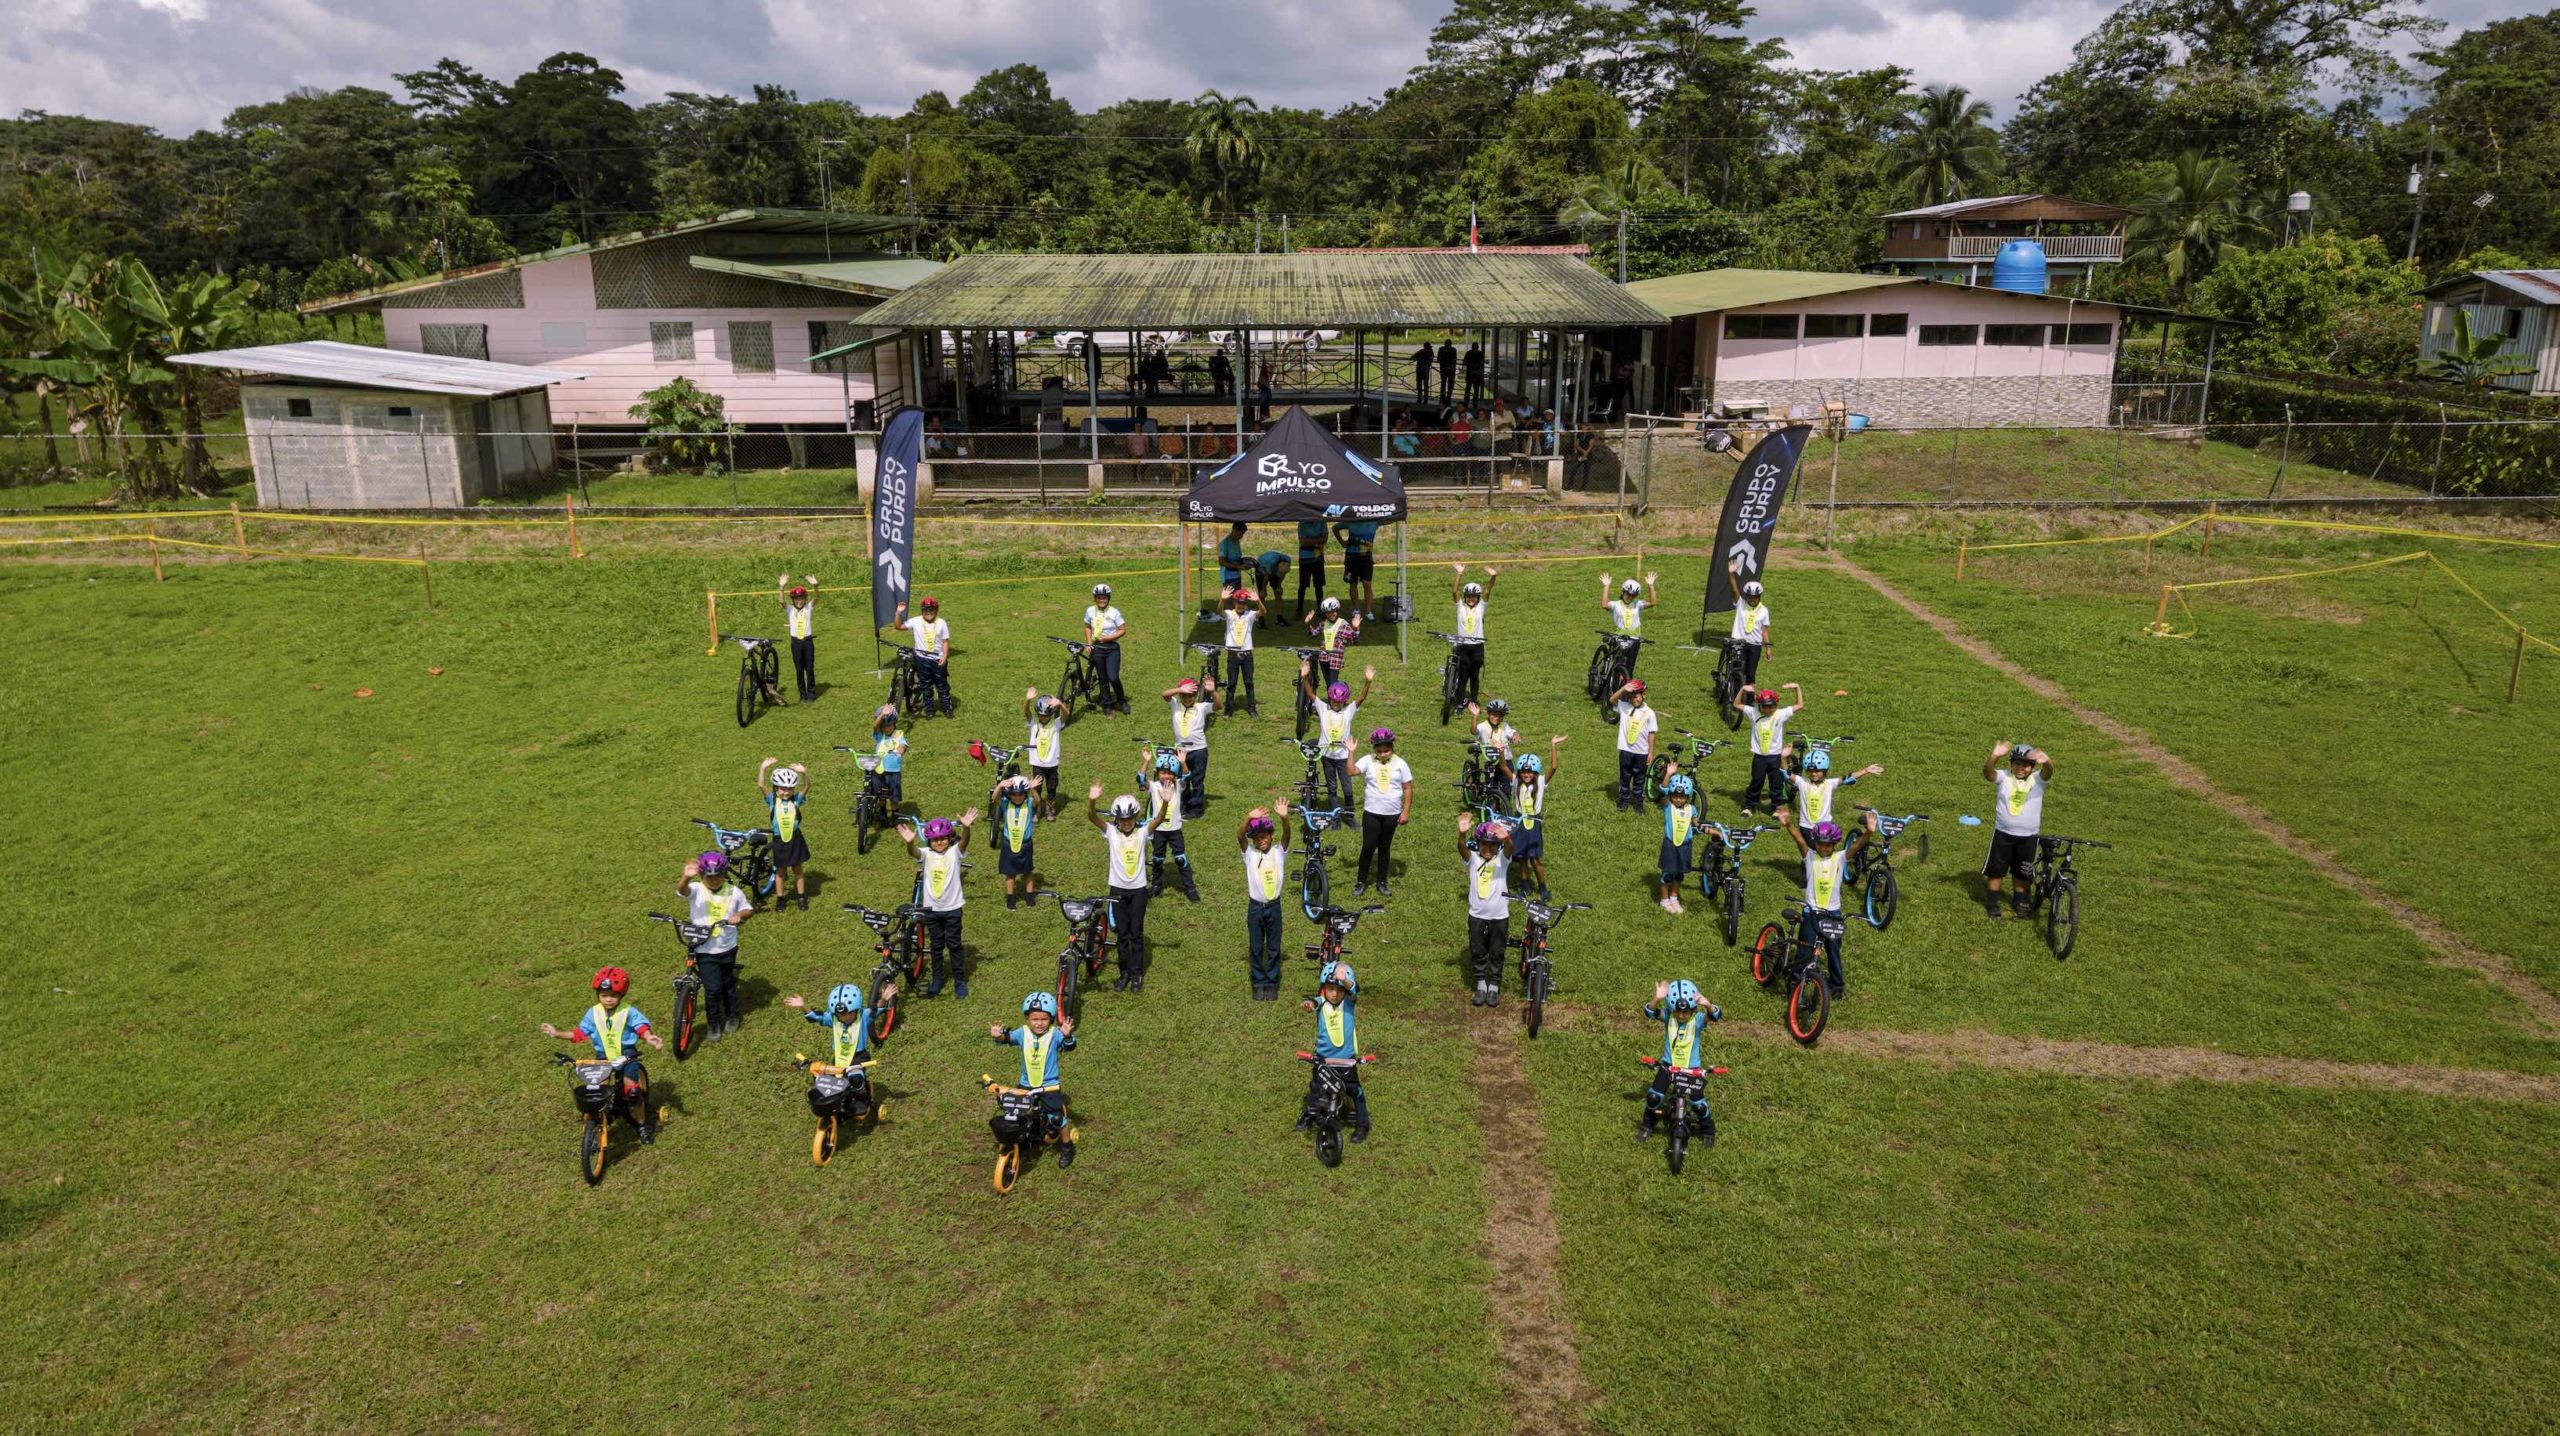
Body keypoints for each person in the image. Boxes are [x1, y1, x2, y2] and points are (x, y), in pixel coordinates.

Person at [540, 967, 661, 1143]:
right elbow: (578, 1034)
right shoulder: (593, 1013)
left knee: (633, 1092)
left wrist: (649, 1037)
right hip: (603, 1056)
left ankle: (642, 1124)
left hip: (627, 1055)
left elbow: (640, 1027)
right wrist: (558, 1033)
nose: (609, 999)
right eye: (604, 995)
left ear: (622, 995)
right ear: (598, 994)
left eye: (613, 995)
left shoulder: (629, 1011)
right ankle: (596, 1125)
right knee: (597, 1091)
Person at [1776, 807, 1872, 998]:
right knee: (1805, 950)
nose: (1823, 848)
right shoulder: (1810, 856)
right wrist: (1788, 825)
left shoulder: (1840, 858)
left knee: (1834, 950)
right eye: (1820, 844)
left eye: (1828, 845)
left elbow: (1855, 846)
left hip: (1833, 914)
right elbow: (1800, 840)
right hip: (1811, 913)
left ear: (1834, 844)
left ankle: (1837, 986)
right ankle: (1795, 983)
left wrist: (1869, 832)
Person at [989, 993, 1077, 1167]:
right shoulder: (1022, 1033)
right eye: (1034, 1018)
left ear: (1051, 1019)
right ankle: (1024, 1139)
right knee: (1016, 1114)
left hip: (1049, 1087)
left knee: (1056, 1119)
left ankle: (1068, 1147)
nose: (1039, 1023)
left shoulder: (1055, 1034)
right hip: (1026, 1085)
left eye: (1044, 1019)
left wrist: (1067, 1036)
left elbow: (1070, 1046)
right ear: (1027, 1018)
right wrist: (998, 1035)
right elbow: (1007, 1038)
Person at [899, 809, 979, 998]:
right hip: (932, 911)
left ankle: (960, 980)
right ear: (929, 842)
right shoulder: (926, 854)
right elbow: (914, 852)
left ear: (950, 838)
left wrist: (966, 828)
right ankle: (937, 979)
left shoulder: (954, 853)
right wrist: (910, 843)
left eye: (943, 839)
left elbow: (964, 842)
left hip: (952, 910)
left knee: (954, 945)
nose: (939, 843)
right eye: (935, 840)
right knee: (936, 946)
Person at [677, 850, 754, 1040]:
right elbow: (682, 891)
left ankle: (733, 1015)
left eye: (718, 876)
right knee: (712, 989)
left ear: (724, 873)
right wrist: (685, 878)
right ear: (702, 876)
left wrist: (739, 915)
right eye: (709, 877)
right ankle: (713, 1024)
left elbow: (748, 909)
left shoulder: (733, 892)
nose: (714, 880)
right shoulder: (696, 889)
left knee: (728, 983)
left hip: (727, 946)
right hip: (704, 948)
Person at [1088, 784, 1158, 990]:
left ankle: (1137, 974)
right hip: (1117, 890)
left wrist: (1163, 802)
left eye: (1130, 819)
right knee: (1122, 934)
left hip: (1138, 891)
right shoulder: (1110, 832)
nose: (1126, 823)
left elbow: (1159, 819)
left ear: (1136, 817)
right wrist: (1092, 800)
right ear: (1116, 819)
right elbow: (1092, 817)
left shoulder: (1143, 832)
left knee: (1136, 933)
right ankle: (1124, 972)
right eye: (1122, 819)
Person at [1636, 980, 1721, 1143]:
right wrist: (1657, 998)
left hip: (1691, 1068)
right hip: (1669, 1066)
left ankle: (1708, 1131)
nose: (1681, 1016)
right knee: (1654, 1097)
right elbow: (1650, 1012)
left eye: (1685, 1012)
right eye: (1678, 1012)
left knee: (1699, 1105)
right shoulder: (1669, 1017)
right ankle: (1647, 1125)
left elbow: (1715, 1016)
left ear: (1692, 1010)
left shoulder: (1698, 1020)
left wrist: (1708, 1005)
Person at [1297, 960, 1370, 1143]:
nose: (1335, 994)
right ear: (1324, 989)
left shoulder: (1349, 1002)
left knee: (1355, 1092)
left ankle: (1363, 1124)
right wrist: (1308, 1004)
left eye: (1339, 990)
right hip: (1323, 1059)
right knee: (1316, 1088)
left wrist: (1344, 979)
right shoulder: (1321, 1003)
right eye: (1330, 989)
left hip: (1346, 1060)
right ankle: (1310, 1115)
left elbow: (1355, 989)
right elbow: (1313, 1002)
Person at [1982, 740, 2055, 920]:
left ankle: (2020, 900)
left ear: (2032, 766)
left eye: (2025, 765)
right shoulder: (2004, 777)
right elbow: (1988, 773)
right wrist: (1994, 756)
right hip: (2003, 834)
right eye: (2016, 763)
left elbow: (2048, 772)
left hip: (2028, 836)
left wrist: (2047, 761)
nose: (2020, 768)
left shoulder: (2037, 780)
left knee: (2022, 871)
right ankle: (1992, 903)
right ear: (2011, 764)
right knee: (1996, 869)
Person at [1239, 799, 1292, 1001]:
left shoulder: (1279, 853)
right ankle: (1258, 982)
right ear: (1253, 840)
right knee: (1256, 946)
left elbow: (1287, 835)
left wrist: (1284, 818)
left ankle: (1271, 982)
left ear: (1271, 835)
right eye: (1257, 838)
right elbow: (1239, 836)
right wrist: (1248, 818)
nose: (1262, 840)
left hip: (1274, 907)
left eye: (1265, 836)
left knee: (1273, 946)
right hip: (1255, 908)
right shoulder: (1250, 855)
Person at [1352, 726, 1413, 898]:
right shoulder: (1368, 760)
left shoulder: (1401, 764)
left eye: (1386, 750)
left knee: (1384, 847)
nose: (1383, 753)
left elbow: (1407, 788)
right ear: (1374, 750)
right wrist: (1351, 753)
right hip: (1372, 812)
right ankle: (1361, 881)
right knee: (1368, 847)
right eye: (1379, 751)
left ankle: (1381, 882)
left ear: (1392, 748)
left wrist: (1405, 811)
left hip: (1391, 813)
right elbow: (1351, 771)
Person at [1303, 662, 1373, 809]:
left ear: (1344, 701)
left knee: (1347, 787)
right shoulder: (1323, 709)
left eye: (1339, 702)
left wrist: (1368, 682)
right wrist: (1304, 677)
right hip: (1327, 755)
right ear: (1330, 698)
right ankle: (1334, 817)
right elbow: (1310, 694)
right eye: (1334, 701)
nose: (1336, 704)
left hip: (1343, 757)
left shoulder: (1348, 711)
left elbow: (1361, 698)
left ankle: (1349, 814)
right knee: (1332, 787)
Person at [1461, 815, 1513, 1006]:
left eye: (1492, 846)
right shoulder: (1473, 860)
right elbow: (1462, 850)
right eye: (1484, 845)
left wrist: (1506, 839)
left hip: (1499, 916)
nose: (1488, 849)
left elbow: (1509, 850)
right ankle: (1481, 985)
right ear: (1478, 844)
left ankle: (1494, 987)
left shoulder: (1502, 861)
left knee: (1497, 950)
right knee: (1478, 950)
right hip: (1477, 916)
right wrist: (1462, 833)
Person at [782, 981, 891, 1069]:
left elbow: (874, 1010)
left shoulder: (863, 1016)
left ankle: (862, 1092)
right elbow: (816, 1017)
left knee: (856, 1079)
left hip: (859, 1057)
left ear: (857, 1009)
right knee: (831, 1081)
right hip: (839, 1057)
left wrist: (883, 999)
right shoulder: (833, 1018)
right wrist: (803, 1006)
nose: (847, 1017)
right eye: (842, 1014)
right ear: (836, 1013)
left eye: (850, 1013)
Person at [1507, 740, 1566, 900]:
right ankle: (1525, 884)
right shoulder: (1515, 781)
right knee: (1522, 857)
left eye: (1530, 772)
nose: (1526, 775)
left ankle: (1542, 886)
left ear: (1536, 772)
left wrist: (1553, 746)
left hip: (1533, 824)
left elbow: (1553, 767)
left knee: (1535, 859)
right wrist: (1500, 752)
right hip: (1519, 822)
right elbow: (1503, 767)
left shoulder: (1540, 781)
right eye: (1524, 772)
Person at [1735, 682, 1805, 816]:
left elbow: (1800, 705)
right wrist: (1743, 689)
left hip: (1775, 757)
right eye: (1764, 707)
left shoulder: (1780, 714)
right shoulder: (1753, 713)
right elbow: (1736, 704)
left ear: (1776, 705)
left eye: (1771, 707)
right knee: (1756, 781)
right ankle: (1749, 807)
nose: (1767, 710)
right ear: (1759, 705)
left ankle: (1776, 808)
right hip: (1759, 757)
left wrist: (1797, 687)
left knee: (1776, 783)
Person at [1143, 752, 1202, 903]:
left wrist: (1182, 762)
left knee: (1181, 859)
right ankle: (1156, 885)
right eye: (1163, 772)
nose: (1166, 776)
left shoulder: (1178, 786)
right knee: (1157, 859)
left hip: (1175, 830)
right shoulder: (1154, 787)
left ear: (1175, 775)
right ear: (1158, 773)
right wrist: (1146, 762)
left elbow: (1187, 776)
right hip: (1159, 830)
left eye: (1170, 773)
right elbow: (1141, 779)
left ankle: (1190, 888)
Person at [757, 758, 813, 912]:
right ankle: (781, 899)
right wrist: (763, 767)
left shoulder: (796, 801)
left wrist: (804, 773)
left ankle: (801, 897)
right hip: (779, 840)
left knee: (797, 869)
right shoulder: (772, 801)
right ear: (776, 789)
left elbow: (807, 785)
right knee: (780, 871)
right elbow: (761, 785)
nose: (786, 792)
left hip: (795, 839)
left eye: (789, 789)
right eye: (782, 789)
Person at [887, 595, 954, 718]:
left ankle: (947, 708)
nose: (929, 612)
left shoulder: (941, 623)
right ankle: (929, 710)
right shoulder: (916, 621)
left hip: (937, 658)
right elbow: (899, 626)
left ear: (936, 610)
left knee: (942, 685)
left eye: (931, 610)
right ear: (922, 611)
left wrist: (944, 657)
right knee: (926, 685)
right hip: (922, 659)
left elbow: (945, 642)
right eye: (926, 610)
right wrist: (898, 613)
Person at [1789, 747, 1885, 830]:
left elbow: (1847, 778)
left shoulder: (1830, 784)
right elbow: (1786, 773)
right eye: (1810, 771)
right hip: (1805, 827)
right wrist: (1782, 757)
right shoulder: (1802, 782)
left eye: (1817, 771)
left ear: (1824, 770)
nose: (1814, 773)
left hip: (1824, 825)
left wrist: (1866, 770)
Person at [1163, 674, 1217, 818]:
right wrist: (1179, 688)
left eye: (1190, 696)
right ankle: (1183, 805)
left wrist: (1212, 692)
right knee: (1182, 779)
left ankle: (1197, 809)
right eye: (1184, 696)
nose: (1187, 699)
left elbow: (1218, 706)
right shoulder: (1175, 704)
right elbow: (1164, 694)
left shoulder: (1201, 707)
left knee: (1197, 780)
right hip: (1181, 750)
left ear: (1195, 696)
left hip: (1198, 750)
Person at [988, 773, 1041, 909]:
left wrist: (1033, 789)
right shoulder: (1006, 804)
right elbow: (995, 799)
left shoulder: (1028, 803)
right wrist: (999, 786)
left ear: (1025, 793)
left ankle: (1029, 896)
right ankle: (1010, 899)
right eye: (1014, 795)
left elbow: (1037, 801)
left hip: (1025, 844)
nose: (1017, 797)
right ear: (1009, 795)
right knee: (1010, 873)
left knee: (1028, 872)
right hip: (1008, 844)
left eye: (1020, 794)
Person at [1449, 564, 1498, 706]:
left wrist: (1493, 576)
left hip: (1477, 646)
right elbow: (1454, 591)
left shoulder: (1481, 608)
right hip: (1463, 646)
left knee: (1474, 676)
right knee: (1463, 676)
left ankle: (1474, 701)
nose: (1471, 599)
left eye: (1474, 597)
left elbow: (1487, 590)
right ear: (1465, 597)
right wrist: (1459, 574)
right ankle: (1459, 702)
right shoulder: (1460, 607)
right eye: (1469, 596)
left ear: (1477, 597)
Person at [1610, 677, 1660, 813]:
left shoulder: (1650, 713)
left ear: (1643, 695)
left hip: (1641, 753)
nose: (1634, 700)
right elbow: (1612, 700)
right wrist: (1623, 689)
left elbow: (1652, 733)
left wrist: (1650, 752)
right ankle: (1623, 800)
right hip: (1625, 750)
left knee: (1639, 779)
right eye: (1631, 697)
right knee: (1625, 777)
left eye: (1636, 696)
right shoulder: (1625, 707)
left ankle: (1638, 802)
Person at [1656, 773, 1702, 913]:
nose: (1678, 799)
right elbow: (1663, 789)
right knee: (1667, 874)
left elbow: (1697, 824)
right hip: (1671, 846)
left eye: (1681, 797)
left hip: (1685, 846)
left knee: (1679, 874)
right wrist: (1669, 774)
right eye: (1675, 796)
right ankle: (1664, 900)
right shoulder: (1668, 807)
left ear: (1687, 798)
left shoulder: (1691, 809)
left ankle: (1674, 898)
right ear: (1671, 796)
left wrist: (1711, 830)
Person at [1218, 586, 1266, 715]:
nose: (1241, 605)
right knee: (1232, 683)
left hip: (1247, 654)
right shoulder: (1229, 614)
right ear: (1234, 602)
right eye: (1239, 602)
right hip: (1232, 654)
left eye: (1244, 603)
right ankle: (1228, 710)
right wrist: (1222, 600)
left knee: (1249, 682)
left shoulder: (1249, 615)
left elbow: (1263, 612)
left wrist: (1258, 601)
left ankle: (1252, 709)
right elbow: (1219, 611)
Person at [1726, 557, 1772, 687]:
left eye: (1755, 597)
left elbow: (1764, 630)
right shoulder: (1741, 604)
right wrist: (1731, 574)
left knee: (1751, 674)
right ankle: (1734, 696)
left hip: (1755, 644)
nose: (1752, 599)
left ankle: (1749, 700)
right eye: (1750, 597)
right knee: (1737, 670)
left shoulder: (1763, 611)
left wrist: (1768, 648)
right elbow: (1735, 590)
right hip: (1739, 642)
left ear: (1759, 596)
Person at [1022, 689, 1068, 819]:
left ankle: (1050, 808)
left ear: (1051, 714)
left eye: (1046, 715)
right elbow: (1026, 712)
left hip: (1052, 764)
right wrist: (1028, 700)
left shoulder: (1056, 725)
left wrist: (1060, 704)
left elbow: (1066, 714)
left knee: (1051, 787)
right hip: (1037, 764)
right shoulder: (1033, 725)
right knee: (1036, 787)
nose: (1043, 717)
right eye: (1041, 715)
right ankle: (1037, 809)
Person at [1084, 583, 1129, 715]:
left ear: (1108, 598)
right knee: (1102, 678)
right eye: (1099, 598)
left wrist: (1109, 638)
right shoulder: (1090, 611)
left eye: (1104, 598)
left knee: (1113, 677)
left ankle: (1121, 700)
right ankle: (1107, 704)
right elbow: (1087, 627)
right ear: (1095, 598)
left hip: (1111, 648)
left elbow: (1122, 630)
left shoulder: (1114, 612)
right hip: (1097, 647)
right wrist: (1088, 643)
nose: (1101, 600)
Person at [778, 575, 820, 701]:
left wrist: (815, 585)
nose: (799, 601)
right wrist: (781, 587)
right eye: (797, 599)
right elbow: (781, 601)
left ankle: (811, 694)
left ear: (805, 598)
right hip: (796, 642)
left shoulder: (808, 608)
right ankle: (802, 694)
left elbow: (816, 597)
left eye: (801, 598)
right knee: (799, 669)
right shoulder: (790, 609)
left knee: (810, 668)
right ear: (793, 600)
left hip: (807, 642)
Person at [1333, 517, 1381, 621]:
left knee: (1367, 584)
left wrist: (1400, 515)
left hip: (1366, 558)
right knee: (1353, 583)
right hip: (1351, 558)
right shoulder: (1351, 521)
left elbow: (1390, 518)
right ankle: (1356, 609)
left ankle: (1368, 611)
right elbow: (1335, 527)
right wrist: (1342, 542)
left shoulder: (1374, 521)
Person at [866, 704, 910, 815]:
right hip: (878, 769)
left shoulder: (898, 734)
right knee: (881, 796)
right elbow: (875, 726)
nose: (887, 728)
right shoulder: (880, 735)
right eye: (884, 726)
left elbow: (903, 746)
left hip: (893, 771)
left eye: (889, 725)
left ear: (894, 724)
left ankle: (895, 816)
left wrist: (900, 750)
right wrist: (882, 715)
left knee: (894, 797)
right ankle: (882, 814)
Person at [1598, 571, 1659, 646]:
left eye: (1633, 596)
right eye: (1628, 594)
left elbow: (1652, 603)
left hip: (1635, 639)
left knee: (1631, 658)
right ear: (1623, 591)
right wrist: (1606, 586)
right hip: (1619, 638)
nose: (1630, 597)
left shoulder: (1637, 604)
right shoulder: (1615, 605)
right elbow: (1604, 605)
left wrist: (1651, 585)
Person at [1293, 519, 1329, 620]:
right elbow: (1303, 542)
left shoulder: (1322, 521)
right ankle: (1299, 610)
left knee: (1319, 585)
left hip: (1318, 558)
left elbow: (1325, 539)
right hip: (1305, 559)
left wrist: (1310, 541)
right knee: (1303, 585)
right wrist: (1318, 540)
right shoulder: (1302, 523)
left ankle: (1320, 609)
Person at [1218, 522, 1251, 593]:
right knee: (1229, 602)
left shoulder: (1236, 542)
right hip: (1228, 578)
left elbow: (1237, 558)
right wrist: (1239, 567)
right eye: (1241, 533)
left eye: (1243, 534)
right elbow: (1222, 562)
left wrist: (1248, 560)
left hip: (1237, 576)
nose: (1242, 536)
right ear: (1234, 530)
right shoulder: (1224, 543)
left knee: (1237, 600)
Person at [1462, 339, 1486, 406]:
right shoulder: (1479, 354)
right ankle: (1472, 401)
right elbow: (1482, 364)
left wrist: (1470, 366)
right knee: (1473, 389)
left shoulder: (1469, 353)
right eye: (1474, 347)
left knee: (1471, 388)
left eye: (1475, 347)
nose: (1475, 348)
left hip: (1472, 373)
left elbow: (1464, 363)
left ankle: (1468, 401)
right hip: (1474, 374)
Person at [1436, 338, 1457, 406]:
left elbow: (1439, 359)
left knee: (1446, 383)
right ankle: (1446, 396)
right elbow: (1454, 360)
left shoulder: (1442, 349)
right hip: (1448, 369)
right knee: (1446, 383)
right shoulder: (1452, 349)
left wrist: (1445, 363)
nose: (1448, 346)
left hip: (1446, 369)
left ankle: (1446, 396)